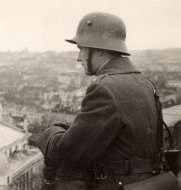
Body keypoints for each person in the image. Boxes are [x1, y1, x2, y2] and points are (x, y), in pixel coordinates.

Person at [37, 12, 161, 190]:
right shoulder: (145, 82)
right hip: (147, 183)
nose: (79, 57)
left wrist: (51, 133)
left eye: (81, 48)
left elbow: (71, 152)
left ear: (99, 49)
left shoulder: (105, 88)